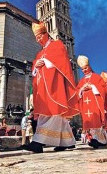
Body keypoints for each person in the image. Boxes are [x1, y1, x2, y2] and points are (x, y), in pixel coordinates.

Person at [22, 22, 79, 153]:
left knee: (52, 112)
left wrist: (46, 61)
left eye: (39, 36)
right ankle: (67, 141)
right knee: (57, 115)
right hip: (42, 87)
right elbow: (35, 67)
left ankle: (38, 142)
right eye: (36, 37)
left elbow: (61, 60)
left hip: (54, 86)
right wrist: (36, 65)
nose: (38, 39)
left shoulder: (57, 45)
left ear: (46, 34)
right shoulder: (39, 53)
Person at [76, 55, 107, 148]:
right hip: (86, 106)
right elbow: (77, 92)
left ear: (89, 66)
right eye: (82, 69)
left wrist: (92, 87)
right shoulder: (81, 81)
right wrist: (82, 89)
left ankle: (101, 140)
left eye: (85, 68)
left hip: (95, 104)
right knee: (89, 122)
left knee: (96, 121)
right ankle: (92, 139)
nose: (84, 70)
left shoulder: (97, 77)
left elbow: (103, 89)